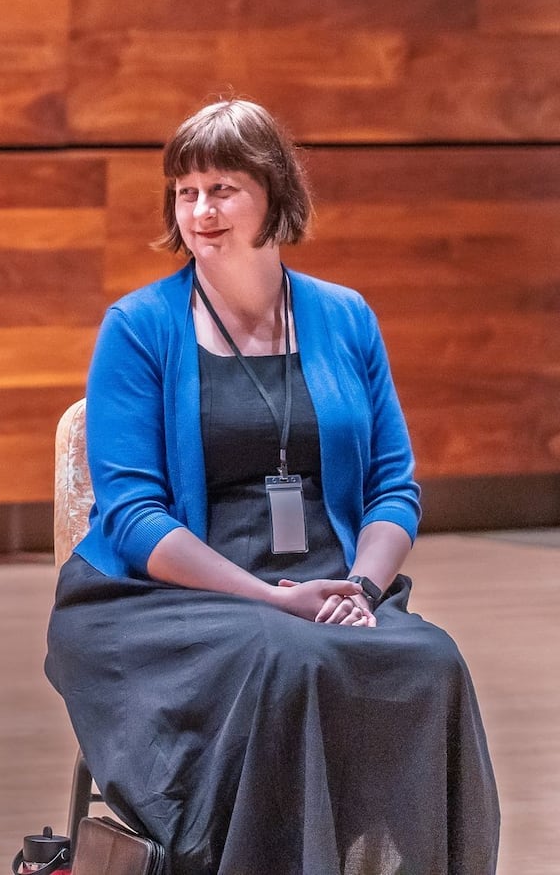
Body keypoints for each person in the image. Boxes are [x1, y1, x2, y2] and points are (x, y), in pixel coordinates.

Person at [45, 98, 499, 873]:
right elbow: (136, 518)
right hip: (165, 600)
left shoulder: (345, 316)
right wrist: (272, 598)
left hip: (328, 586)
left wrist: (362, 588)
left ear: (274, 193)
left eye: (222, 189)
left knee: (433, 659)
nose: (200, 211)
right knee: (291, 658)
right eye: (186, 191)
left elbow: (394, 488)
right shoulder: (139, 326)